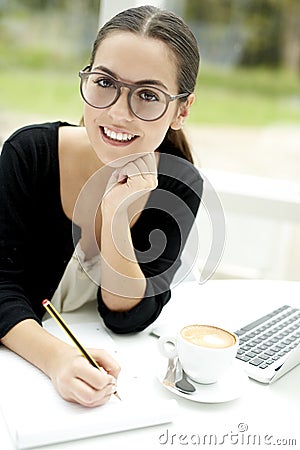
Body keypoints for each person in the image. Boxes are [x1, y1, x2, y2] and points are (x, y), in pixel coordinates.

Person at [0, 5, 202, 407]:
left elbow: (128, 317)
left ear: (182, 110)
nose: (118, 112)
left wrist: (115, 214)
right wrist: (59, 359)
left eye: (148, 95)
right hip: (21, 363)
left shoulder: (179, 185)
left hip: (120, 369)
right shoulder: (29, 154)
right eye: (105, 82)